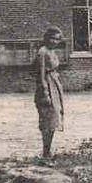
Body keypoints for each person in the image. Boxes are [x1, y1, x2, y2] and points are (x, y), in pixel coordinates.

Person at [33, 27, 65, 160]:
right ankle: (46, 151)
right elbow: (40, 74)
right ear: (46, 38)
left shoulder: (51, 52)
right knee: (47, 120)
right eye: (52, 38)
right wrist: (45, 92)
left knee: (53, 119)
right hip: (46, 86)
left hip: (54, 84)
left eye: (57, 39)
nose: (55, 41)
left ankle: (48, 150)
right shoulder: (42, 52)